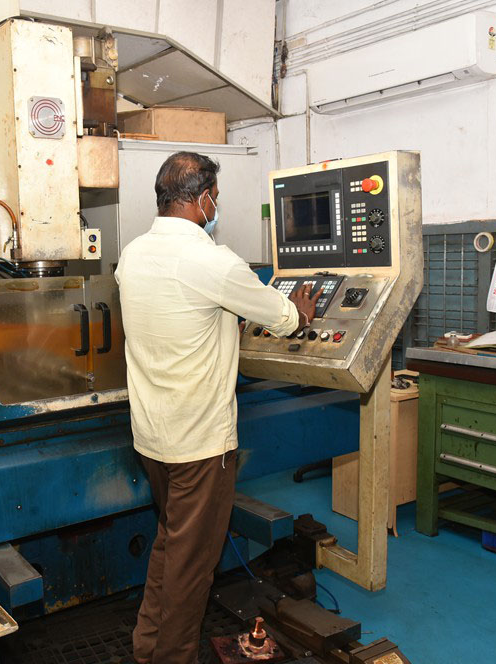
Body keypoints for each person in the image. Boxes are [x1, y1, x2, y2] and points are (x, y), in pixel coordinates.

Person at [115, 151, 321, 664]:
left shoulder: (132, 255)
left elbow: (185, 315)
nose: (216, 207)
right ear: (203, 197)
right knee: (191, 570)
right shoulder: (213, 261)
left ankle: (147, 648)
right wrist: (301, 311)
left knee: (170, 547)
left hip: (153, 439)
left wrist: (225, 320)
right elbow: (283, 317)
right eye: (216, 198)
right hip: (200, 445)